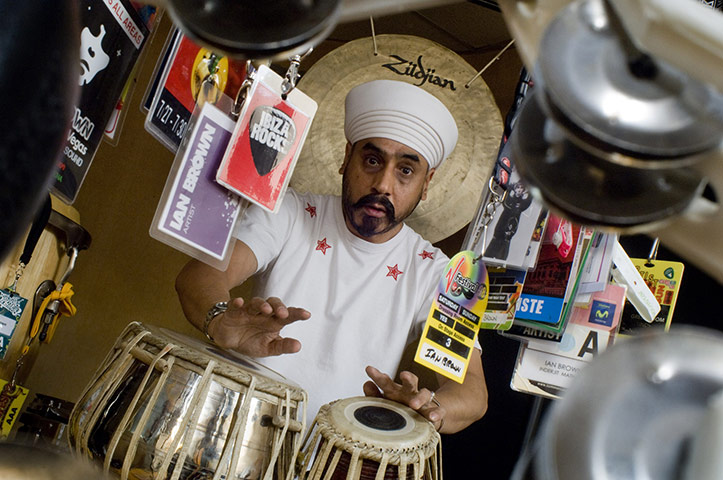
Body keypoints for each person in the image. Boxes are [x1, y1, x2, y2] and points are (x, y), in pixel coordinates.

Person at [176, 79, 488, 434]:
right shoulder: (290, 213)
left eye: (405, 170)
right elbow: (200, 276)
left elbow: (472, 392)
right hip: (239, 442)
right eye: (372, 160)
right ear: (346, 157)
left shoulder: (437, 273)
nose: (383, 184)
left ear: (427, 183)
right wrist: (219, 321)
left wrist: (430, 409)